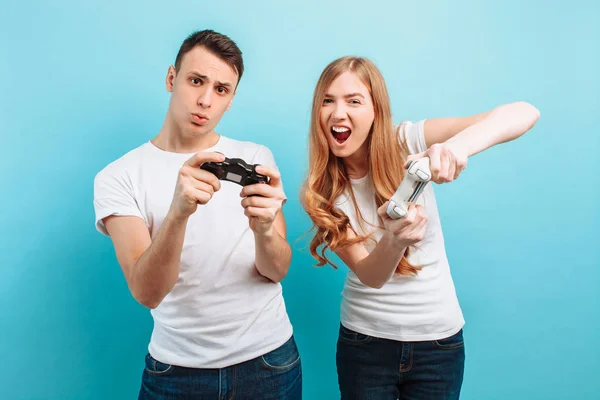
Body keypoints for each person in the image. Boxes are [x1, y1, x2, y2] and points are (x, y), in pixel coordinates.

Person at [301, 56, 539, 400]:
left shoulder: (408, 141)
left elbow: (525, 112)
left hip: (438, 345)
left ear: (376, 110)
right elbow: (371, 275)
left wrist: (454, 148)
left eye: (354, 100)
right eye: (328, 100)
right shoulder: (321, 191)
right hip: (364, 344)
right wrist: (394, 242)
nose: (338, 113)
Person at [93, 29, 301, 399]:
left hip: (270, 362)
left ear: (231, 100)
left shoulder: (258, 158)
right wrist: (177, 213)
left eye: (221, 89)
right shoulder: (119, 176)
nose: (205, 100)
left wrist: (265, 229)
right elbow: (147, 292)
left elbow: (277, 270)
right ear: (172, 78)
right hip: (177, 372)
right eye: (196, 81)